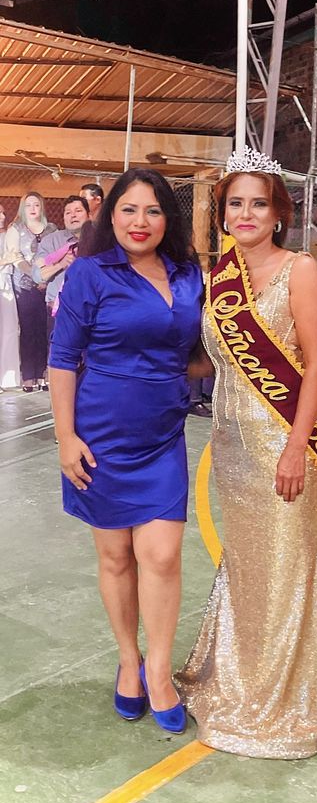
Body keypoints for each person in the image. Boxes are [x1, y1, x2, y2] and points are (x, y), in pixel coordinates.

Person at [175, 148, 317, 764]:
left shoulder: (299, 269)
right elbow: (212, 363)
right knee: (247, 570)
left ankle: (303, 701)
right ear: (223, 213)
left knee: (290, 570)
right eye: (235, 204)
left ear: (278, 213)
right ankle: (239, 680)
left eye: (258, 203)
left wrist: (297, 448)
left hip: (285, 445)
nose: (245, 214)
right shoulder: (221, 277)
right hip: (232, 450)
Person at [49, 168, 203, 732]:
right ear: (110, 216)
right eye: (129, 210)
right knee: (116, 557)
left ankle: (158, 670)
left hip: (162, 436)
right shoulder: (90, 273)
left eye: (153, 211)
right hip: (100, 437)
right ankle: (128, 660)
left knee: (161, 557)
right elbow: (62, 358)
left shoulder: (190, 275)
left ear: (168, 219)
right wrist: (66, 437)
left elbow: (201, 353)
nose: (141, 222)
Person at [3, 192, 57, 391]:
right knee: (28, 330)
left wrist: (45, 277)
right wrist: (35, 275)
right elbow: (15, 256)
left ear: (41, 206)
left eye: (36, 204)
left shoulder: (52, 229)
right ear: (22, 208)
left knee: (45, 329)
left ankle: (43, 373)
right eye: (28, 205)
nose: (33, 208)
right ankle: (28, 375)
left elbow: (56, 254)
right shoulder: (16, 228)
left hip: (48, 285)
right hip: (24, 286)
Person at [32, 196, 91, 332]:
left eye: (78, 211)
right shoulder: (51, 241)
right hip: (58, 310)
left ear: (89, 215)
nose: (73, 215)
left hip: (92, 309)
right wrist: (61, 264)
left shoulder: (100, 241)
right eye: (68, 212)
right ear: (63, 218)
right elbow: (37, 276)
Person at [0, 202, 21, 390]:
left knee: (9, 331)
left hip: (7, 286)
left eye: (3, 213)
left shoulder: (9, 235)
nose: (2, 217)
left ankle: (7, 377)